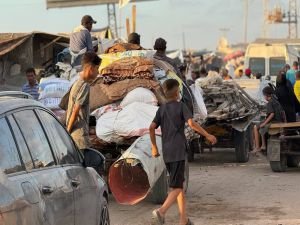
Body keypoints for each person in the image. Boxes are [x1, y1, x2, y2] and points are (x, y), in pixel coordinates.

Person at [149, 79, 217, 225]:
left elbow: (151, 127)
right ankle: (161, 212)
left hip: (167, 152)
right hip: (178, 151)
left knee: (177, 185)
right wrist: (207, 135)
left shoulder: (161, 109)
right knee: (178, 186)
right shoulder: (181, 106)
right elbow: (192, 124)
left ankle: (183, 220)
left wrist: (154, 146)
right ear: (176, 92)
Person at [66, 52, 101, 150]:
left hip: (75, 136)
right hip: (79, 137)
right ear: (91, 68)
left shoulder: (77, 83)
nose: (98, 72)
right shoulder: (84, 86)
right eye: (97, 68)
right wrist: (67, 133)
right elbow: (75, 111)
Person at [252, 86, 285, 153]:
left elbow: (272, 114)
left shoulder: (270, 102)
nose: (264, 97)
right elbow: (282, 112)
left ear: (266, 95)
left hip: (273, 121)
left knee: (255, 127)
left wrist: (264, 123)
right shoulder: (276, 100)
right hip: (278, 120)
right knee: (261, 126)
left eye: (264, 96)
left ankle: (257, 147)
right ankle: (263, 144)